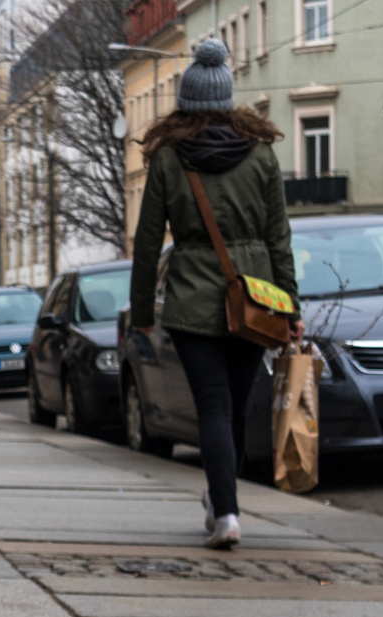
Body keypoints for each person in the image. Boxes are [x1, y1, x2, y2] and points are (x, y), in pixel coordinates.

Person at [128, 37, 302, 550]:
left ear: (186, 102)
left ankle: (224, 510)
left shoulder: (168, 159)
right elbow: (279, 236)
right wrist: (290, 305)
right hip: (256, 296)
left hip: (191, 298)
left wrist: (142, 310)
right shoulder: (262, 156)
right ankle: (225, 505)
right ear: (227, 100)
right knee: (239, 403)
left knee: (212, 406)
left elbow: (146, 242)